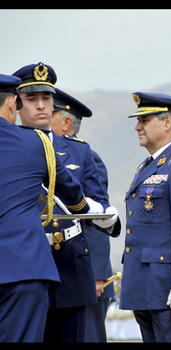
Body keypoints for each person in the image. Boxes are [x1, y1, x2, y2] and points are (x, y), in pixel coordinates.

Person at [13, 62, 120, 342]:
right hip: (25, 263)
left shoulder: (78, 151)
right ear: (16, 104)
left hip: (72, 263)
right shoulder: (8, 148)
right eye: (32, 99)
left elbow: (98, 208)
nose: (41, 106)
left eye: (46, 98)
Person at [0, 73, 91, 342]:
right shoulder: (36, 142)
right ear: (11, 103)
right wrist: (84, 207)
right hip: (23, 268)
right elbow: (72, 194)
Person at [120, 92, 171, 342]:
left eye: (144, 119)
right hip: (143, 285)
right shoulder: (147, 166)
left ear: (167, 122)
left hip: (165, 287)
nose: (137, 126)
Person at [50, 88, 118, 342]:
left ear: (67, 122)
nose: (44, 112)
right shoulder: (36, 153)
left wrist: (98, 274)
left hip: (87, 273)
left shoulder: (88, 157)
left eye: (52, 110)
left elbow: (98, 218)